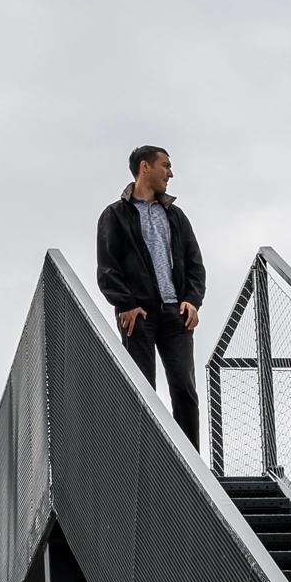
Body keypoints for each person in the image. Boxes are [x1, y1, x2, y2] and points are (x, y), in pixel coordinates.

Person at [96, 145, 206, 440]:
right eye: (165, 166)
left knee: (184, 389)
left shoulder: (175, 216)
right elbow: (108, 267)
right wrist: (126, 304)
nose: (171, 173)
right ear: (145, 167)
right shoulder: (115, 215)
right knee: (142, 393)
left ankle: (191, 468)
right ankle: (146, 471)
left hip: (176, 314)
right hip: (138, 315)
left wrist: (192, 301)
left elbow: (195, 263)